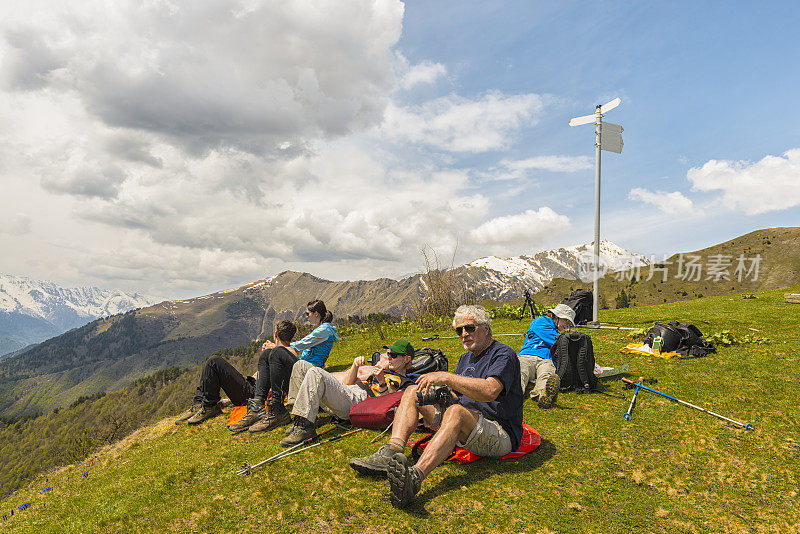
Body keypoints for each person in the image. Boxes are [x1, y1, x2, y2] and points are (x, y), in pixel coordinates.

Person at [350, 305, 523, 509]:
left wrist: (447, 378)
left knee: (456, 412)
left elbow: (489, 391)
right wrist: (437, 395)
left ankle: (414, 478)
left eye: (469, 328)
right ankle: (391, 452)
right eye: (459, 331)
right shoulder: (465, 358)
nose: (464, 335)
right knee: (412, 391)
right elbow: (456, 396)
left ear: (486, 328)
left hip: (498, 431)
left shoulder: (503, 354)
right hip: (466, 424)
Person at [280, 339, 417, 447]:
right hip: (349, 393)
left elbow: (388, 405)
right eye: (388, 354)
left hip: (359, 401)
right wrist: (356, 367)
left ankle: (305, 427)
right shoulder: (385, 370)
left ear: (406, 359)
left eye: (393, 355)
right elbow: (348, 383)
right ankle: (300, 418)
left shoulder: (406, 384)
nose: (389, 357)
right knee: (301, 365)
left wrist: (381, 382)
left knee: (316, 373)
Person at [231, 299, 340, 433]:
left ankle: (277, 409)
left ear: (316, 314)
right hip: (304, 366)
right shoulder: (321, 329)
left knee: (276, 351)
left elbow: (301, 344)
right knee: (267, 355)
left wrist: (276, 346)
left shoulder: (324, 330)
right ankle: (257, 405)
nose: (306, 317)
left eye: (307, 314)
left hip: (309, 370)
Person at [175, 320, 298, 426]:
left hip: (252, 393)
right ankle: (199, 403)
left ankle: (209, 406)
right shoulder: (281, 353)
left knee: (214, 362)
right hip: (251, 386)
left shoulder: (287, 352)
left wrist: (273, 349)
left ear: (275, 334)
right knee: (212, 363)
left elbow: (282, 376)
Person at [518, 303, 575, 409]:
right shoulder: (540, 322)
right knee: (521, 373)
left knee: (547, 374)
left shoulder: (557, 332)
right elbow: (556, 340)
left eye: (569, 324)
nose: (567, 326)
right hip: (528, 355)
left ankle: (543, 395)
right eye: (566, 321)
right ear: (557, 316)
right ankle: (514, 395)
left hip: (546, 359)